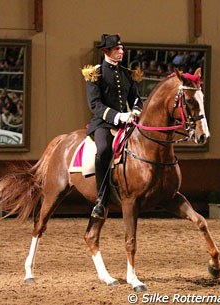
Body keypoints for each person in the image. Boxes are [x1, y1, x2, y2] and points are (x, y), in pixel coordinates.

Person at [82, 34, 143, 219]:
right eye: (117, 49)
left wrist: (135, 111)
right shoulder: (95, 74)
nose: (121, 51)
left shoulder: (127, 74)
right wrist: (119, 116)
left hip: (127, 122)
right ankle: (101, 200)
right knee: (103, 150)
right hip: (103, 123)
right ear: (106, 51)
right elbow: (95, 105)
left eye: (122, 48)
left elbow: (137, 99)